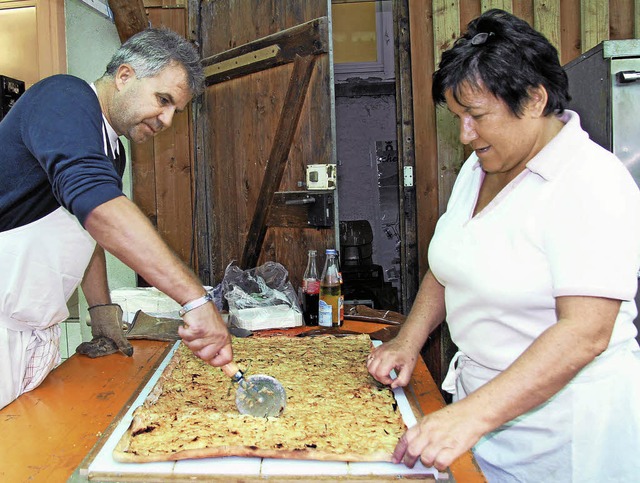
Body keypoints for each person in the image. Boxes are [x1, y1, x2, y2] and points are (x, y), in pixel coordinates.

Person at [367, 9, 640, 482]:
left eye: (475, 116)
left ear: (534, 99)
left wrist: (470, 416)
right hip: (482, 417)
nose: (465, 135)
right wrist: (408, 341)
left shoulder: (591, 181)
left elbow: (584, 332)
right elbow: (449, 266)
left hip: (565, 437)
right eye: (456, 117)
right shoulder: (480, 169)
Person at [0, 28, 232, 410]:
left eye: (176, 109)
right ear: (124, 76)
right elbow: (101, 211)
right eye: (163, 99)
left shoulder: (112, 150)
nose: (167, 120)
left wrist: (101, 310)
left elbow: (86, 231)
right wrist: (195, 301)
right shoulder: (64, 97)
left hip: (34, 332)